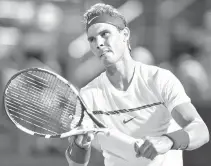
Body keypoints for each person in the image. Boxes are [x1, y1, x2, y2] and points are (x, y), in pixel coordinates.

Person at [65, 3, 209, 166]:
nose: (98, 43)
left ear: (125, 34)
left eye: (105, 34)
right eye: (92, 39)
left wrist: (168, 140)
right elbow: (76, 163)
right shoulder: (88, 95)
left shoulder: (160, 79)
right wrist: (80, 145)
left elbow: (200, 130)